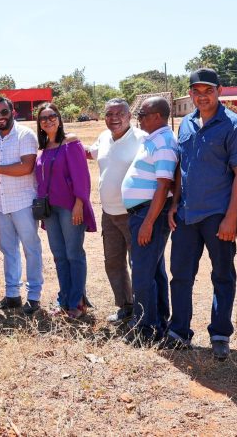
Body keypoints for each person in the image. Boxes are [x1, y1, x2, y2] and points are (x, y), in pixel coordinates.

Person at [163, 68, 237, 359]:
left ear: (219, 91)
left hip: (218, 215)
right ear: (190, 93)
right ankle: (179, 331)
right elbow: (182, 166)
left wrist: (232, 216)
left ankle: (220, 333)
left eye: (208, 91)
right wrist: (175, 201)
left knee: (222, 275)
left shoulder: (234, 127)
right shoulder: (186, 124)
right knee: (181, 275)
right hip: (187, 214)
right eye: (196, 91)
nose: (202, 97)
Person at [121, 96, 178, 344]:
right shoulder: (153, 139)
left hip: (149, 215)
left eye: (142, 114)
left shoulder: (164, 142)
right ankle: (158, 322)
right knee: (153, 272)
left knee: (143, 274)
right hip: (143, 213)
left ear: (157, 116)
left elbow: (163, 185)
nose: (138, 119)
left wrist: (148, 223)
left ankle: (146, 329)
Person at [0, 97, 43, 314]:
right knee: (8, 250)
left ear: (13, 111)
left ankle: (34, 296)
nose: (0, 117)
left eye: (4, 112)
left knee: (31, 249)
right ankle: (13, 295)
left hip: (24, 202)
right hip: (2, 203)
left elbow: (26, 167)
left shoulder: (25, 135)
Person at [34, 103, 96, 319]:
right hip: (50, 210)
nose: (48, 120)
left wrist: (80, 203)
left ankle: (77, 302)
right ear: (39, 124)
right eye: (43, 118)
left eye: (52, 116)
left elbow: (82, 177)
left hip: (70, 208)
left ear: (59, 119)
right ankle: (64, 300)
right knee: (59, 256)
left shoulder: (70, 142)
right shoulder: (43, 149)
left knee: (74, 254)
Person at [87, 99, 143, 324]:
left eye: (120, 113)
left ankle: (142, 311)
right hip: (108, 214)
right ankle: (125, 306)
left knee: (138, 264)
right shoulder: (103, 137)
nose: (114, 118)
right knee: (113, 261)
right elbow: (90, 154)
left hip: (134, 213)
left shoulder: (141, 139)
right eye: (109, 114)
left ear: (129, 116)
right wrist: (68, 141)